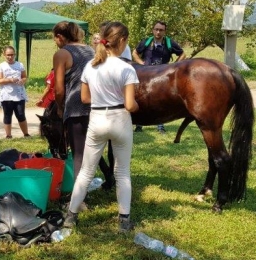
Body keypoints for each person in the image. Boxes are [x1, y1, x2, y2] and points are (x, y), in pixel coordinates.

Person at [66, 22, 139, 232]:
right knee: (122, 172)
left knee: (86, 171)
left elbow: (85, 97)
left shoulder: (91, 66)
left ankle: (71, 215)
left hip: (97, 119)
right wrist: (137, 105)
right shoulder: (126, 68)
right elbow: (129, 104)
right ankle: (124, 219)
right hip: (120, 120)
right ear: (123, 41)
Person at [52, 21, 112, 189]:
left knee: (78, 154)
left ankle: (80, 199)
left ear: (60, 37)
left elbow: (58, 90)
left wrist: (59, 107)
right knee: (92, 146)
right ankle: (109, 176)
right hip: (97, 105)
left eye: (54, 39)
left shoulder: (62, 54)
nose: (55, 43)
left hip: (76, 107)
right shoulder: (90, 50)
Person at [132, 20, 185, 132]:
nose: (158, 32)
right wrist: (141, 63)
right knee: (142, 99)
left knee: (160, 100)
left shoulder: (169, 43)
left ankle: (160, 125)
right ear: (153, 30)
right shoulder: (146, 42)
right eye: (156, 29)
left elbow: (183, 54)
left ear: (165, 32)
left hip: (162, 76)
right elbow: (135, 52)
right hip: (146, 75)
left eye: (161, 30)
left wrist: (175, 65)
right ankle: (139, 125)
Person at [0, 45, 29, 138]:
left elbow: (24, 76)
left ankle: (26, 134)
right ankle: (8, 135)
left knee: (21, 114)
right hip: (6, 95)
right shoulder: (2, 66)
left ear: (15, 54)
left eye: (12, 55)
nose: (10, 57)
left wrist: (23, 80)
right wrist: (9, 80)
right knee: (7, 115)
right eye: (8, 55)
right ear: (4, 55)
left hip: (19, 94)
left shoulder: (20, 65)